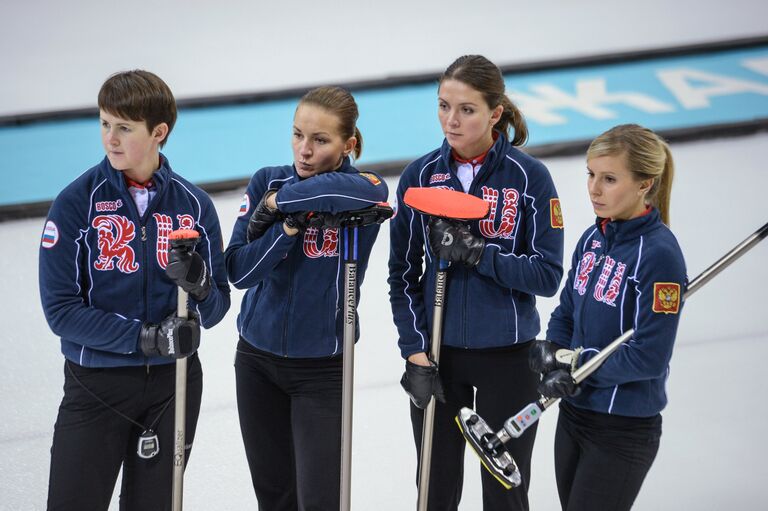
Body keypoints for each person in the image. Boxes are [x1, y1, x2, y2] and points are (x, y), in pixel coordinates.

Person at [39, 70, 231, 510]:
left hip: (174, 382)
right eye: (105, 123)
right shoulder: (75, 203)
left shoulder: (194, 206)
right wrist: (144, 338)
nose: (110, 138)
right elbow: (60, 311)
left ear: (158, 132)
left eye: (124, 127)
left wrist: (200, 285)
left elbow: (218, 308)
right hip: (96, 383)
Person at [388, 55, 565, 510]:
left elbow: (547, 275)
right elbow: (402, 275)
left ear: (495, 113)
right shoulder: (420, 176)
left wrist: (481, 254)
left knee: (506, 493)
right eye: (444, 105)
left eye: (466, 109)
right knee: (434, 489)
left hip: (508, 359)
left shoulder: (530, 177)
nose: (451, 119)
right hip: (439, 357)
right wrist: (414, 350)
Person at [225, 85, 388, 510]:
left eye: (320, 140)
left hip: (322, 370)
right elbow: (238, 271)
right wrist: (286, 230)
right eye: (298, 135)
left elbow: (374, 190)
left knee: (320, 500)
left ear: (348, 143)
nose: (305, 151)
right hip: (257, 362)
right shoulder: (266, 179)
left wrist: (280, 203)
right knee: (275, 498)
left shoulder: (361, 195)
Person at [534, 124, 686, 510]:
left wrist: (577, 366)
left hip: (622, 427)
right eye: (591, 175)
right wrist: (554, 352)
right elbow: (567, 310)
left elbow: (649, 356)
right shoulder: (592, 238)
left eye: (610, 179)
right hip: (574, 414)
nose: (594, 189)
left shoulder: (660, 255)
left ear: (644, 184)